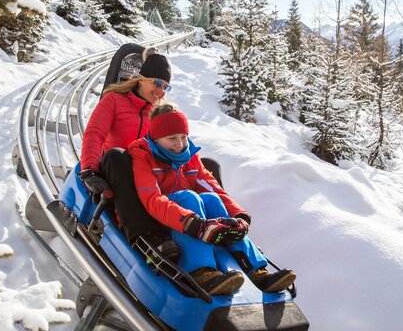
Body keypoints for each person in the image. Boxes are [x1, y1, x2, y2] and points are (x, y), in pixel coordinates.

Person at [128, 103, 297, 296]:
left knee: (211, 199)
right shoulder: (143, 156)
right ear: (156, 139)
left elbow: (212, 186)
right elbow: (152, 199)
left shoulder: (189, 156)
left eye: (183, 137)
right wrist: (193, 223)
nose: (179, 144)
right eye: (171, 138)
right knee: (189, 197)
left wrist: (239, 216)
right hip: (164, 221)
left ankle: (256, 270)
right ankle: (200, 271)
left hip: (194, 222)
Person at [78, 47, 180, 261]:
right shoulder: (114, 100)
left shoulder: (159, 113)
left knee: (206, 165)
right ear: (141, 79)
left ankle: (223, 237)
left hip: (147, 176)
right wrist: (89, 170)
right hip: (115, 171)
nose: (161, 91)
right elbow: (95, 134)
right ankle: (147, 238)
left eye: (166, 86)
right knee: (119, 155)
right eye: (157, 83)